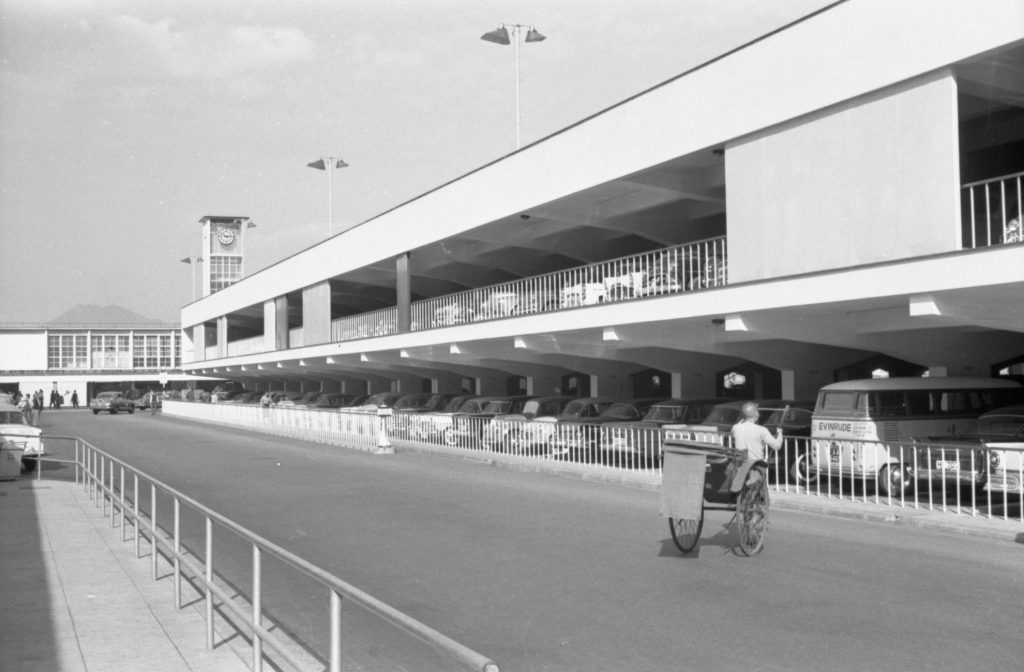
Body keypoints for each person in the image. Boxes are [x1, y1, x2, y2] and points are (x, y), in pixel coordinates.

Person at [727, 401, 783, 492]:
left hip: (740, 463)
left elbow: (733, 433)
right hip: (756, 464)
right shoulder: (761, 430)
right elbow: (777, 446)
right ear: (756, 415)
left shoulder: (735, 428)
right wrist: (780, 434)